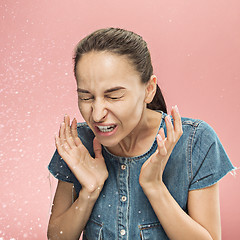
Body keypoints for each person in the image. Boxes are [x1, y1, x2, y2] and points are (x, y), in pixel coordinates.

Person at [47, 27, 234, 240]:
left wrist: (155, 187)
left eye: (114, 96)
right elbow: (57, 238)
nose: (97, 115)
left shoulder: (195, 142)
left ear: (148, 89)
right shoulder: (78, 145)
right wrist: (89, 192)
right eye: (87, 97)